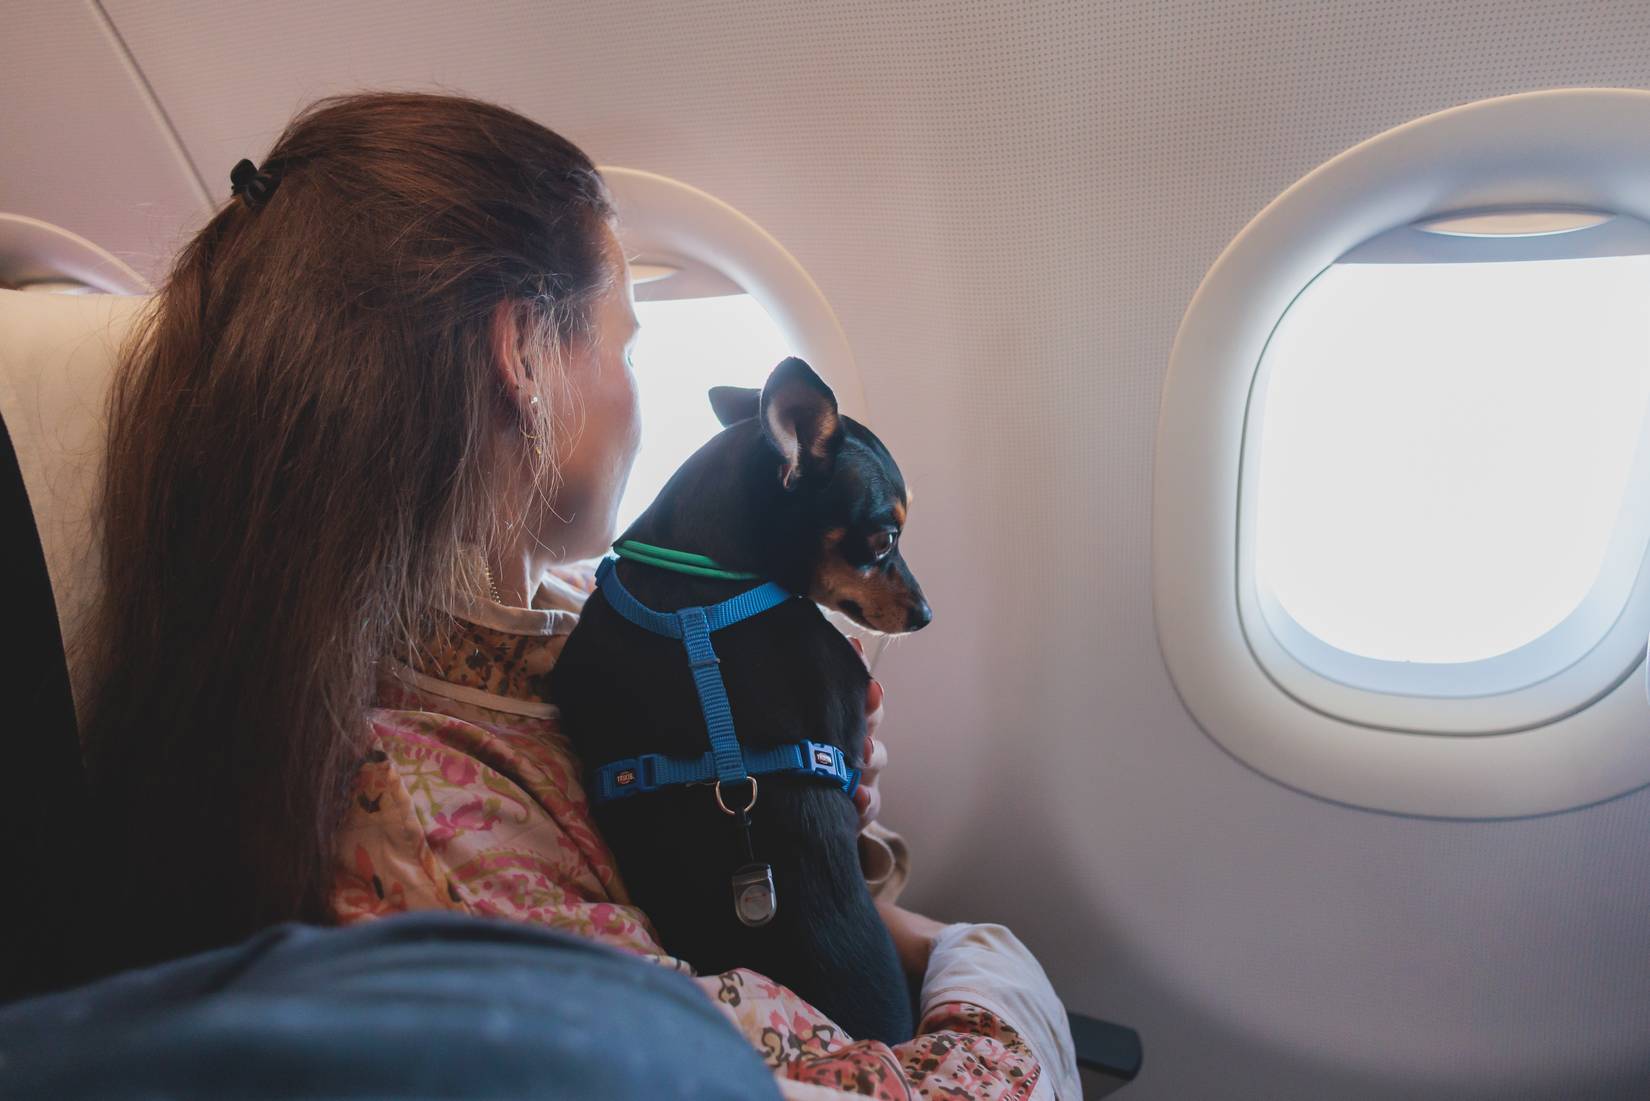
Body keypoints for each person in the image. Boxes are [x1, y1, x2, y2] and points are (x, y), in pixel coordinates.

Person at [78, 91, 1079, 1099]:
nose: (637, 382)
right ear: (523, 359)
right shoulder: (427, 820)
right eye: (625, 342)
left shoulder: (571, 621)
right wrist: (987, 958)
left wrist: (830, 842)